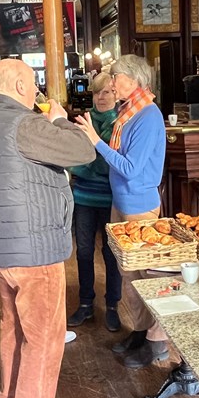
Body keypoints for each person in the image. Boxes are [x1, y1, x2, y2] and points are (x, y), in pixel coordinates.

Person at [0, 58, 96, 398]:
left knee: (14, 329)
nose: (36, 91)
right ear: (20, 86)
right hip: (34, 249)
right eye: (34, 84)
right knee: (44, 336)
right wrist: (59, 120)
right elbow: (82, 150)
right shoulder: (24, 123)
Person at [74, 54, 169, 369]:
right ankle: (140, 333)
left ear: (133, 78)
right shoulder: (129, 111)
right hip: (122, 202)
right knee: (130, 276)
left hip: (140, 206)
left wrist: (95, 140)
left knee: (147, 277)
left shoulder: (148, 115)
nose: (111, 83)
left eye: (115, 77)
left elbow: (130, 168)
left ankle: (156, 344)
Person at [66, 72, 122, 332]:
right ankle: (86, 303)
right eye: (97, 92)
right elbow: (74, 159)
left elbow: (107, 164)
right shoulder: (82, 120)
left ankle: (112, 306)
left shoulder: (120, 123)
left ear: (116, 94)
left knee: (111, 254)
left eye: (107, 92)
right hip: (83, 198)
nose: (101, 97)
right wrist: (88, 163)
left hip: (110, 198)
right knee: (84, 252)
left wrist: (83, 167)